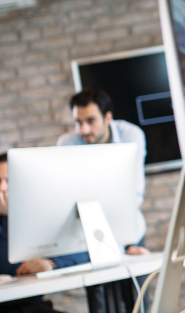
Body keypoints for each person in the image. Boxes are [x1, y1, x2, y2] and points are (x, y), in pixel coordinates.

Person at [0, 153, 92, 313]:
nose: (1, 188)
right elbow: (4, 267)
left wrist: (51, 263)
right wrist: (10, 216)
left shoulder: (36, 217)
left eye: (8, 181)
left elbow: (81, 251)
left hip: (33, 308)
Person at [57, 88, 148, 254]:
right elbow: (67, 195)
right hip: (85, 235)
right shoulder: (67, 143)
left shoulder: (131, 135)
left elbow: (134, 190)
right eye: (78, 122)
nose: (83, 130)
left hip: (128, 231)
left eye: (91, 121)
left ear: (108, 117)